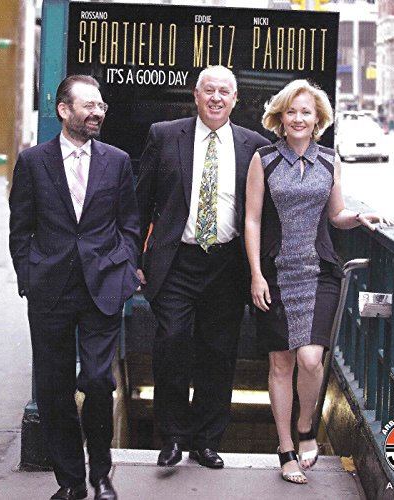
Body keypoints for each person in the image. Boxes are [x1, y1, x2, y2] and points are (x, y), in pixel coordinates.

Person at [245, 79, 392, 484]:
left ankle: (305, 424)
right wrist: (256, 274)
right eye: (291, 111)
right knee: (281, 362)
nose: (298, 118)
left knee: (311, 358)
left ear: (317, 119)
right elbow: (252, 220)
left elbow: (336, 215)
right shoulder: (263, 159)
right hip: (275, 273)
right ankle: (285, 448)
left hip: (319, 271)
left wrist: (358, 218)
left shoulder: (329, 160)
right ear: (280, 117)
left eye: (305, 112)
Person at [9, 74, 140, 500]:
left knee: (99, 380)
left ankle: (101, 474)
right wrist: (29, 276)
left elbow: (129, 224)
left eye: (101, 106)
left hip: (103, 285)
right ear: (64, 110)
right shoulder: (33, 162)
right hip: (50, 288)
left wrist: (124, 269)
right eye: (89, 105)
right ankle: (71, 481)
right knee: (53, 388)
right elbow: (20, 228)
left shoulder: (117, 160)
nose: (97, 112)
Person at [136, 65, 270, 469]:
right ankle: (172, 437)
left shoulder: (255, 146)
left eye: (224, 92)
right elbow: (141, 203)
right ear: (195, 95)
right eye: (208, 90)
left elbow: (264, 214)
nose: (216, 98)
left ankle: (207, 441)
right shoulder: (164, 135)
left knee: (219, 354)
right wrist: (133, 259)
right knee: (172, 344)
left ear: (235, 99)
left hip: (227, 265)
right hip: (176, 261)